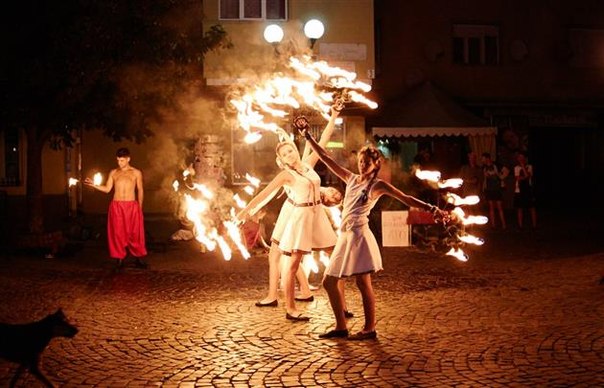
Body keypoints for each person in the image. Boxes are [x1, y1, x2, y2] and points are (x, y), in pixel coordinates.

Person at [301, 129, 446, 340]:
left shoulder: (377, 185)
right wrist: (308, 137)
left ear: (375, 164)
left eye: (367, 162)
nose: (362, 165)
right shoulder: (350, 178)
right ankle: (341, 326)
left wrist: (432, 209)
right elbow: (325, 157)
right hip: (345, 236)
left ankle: (369, 328)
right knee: (329, 282)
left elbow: (406, 198)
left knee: (363, 283)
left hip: (359, 237)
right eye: (361, 161)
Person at [237, 104, 342, 321]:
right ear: (282, 160)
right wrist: (246, 211)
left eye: (291, 150)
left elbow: (321, 142)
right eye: (285, 153)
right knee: (292, 265)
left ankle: (342, 306)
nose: (290, 154)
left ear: (295, 150)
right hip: (300, 219)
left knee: (336, 260)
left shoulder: (308, 164)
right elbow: (264, 194)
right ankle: (291, 308)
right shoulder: (286, 176)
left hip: (318, 215)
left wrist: (333, 116)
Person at [85, 148, 148, 270]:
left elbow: (140, 190)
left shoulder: (136, 173)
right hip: (117, 206)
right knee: (118, 233)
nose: (120, 163)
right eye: (118, 160)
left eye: (122, 160)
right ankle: (120, 260)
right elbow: (108, 189)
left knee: (135, 232)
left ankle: (138, 258)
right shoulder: (113, 172)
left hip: (131, 205)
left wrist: (139, 207)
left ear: (128, 159)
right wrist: (94, 185)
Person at [481, 152, 507, 230]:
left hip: (497, 189)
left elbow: (506, 171)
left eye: (483, 158)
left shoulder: (496, 165)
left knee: (499, 207)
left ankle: (504, 225)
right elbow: (485, 179)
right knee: (491, 207)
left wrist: (500, 176)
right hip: (489, 189)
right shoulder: (484, 167)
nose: (482, 160)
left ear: (487, 158)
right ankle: (493, 225)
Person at [513, 152, 537, 229]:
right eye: (519, 158)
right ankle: (520, 225)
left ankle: (534, 225)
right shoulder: (516, 168)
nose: (521, 159)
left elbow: (528, 176)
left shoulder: (529, 166)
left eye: (522, 157)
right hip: (519, 190)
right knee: (519, 208)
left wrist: (523, 167)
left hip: (528, 189)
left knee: (531, 207)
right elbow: (518, 178)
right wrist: (523, 177)